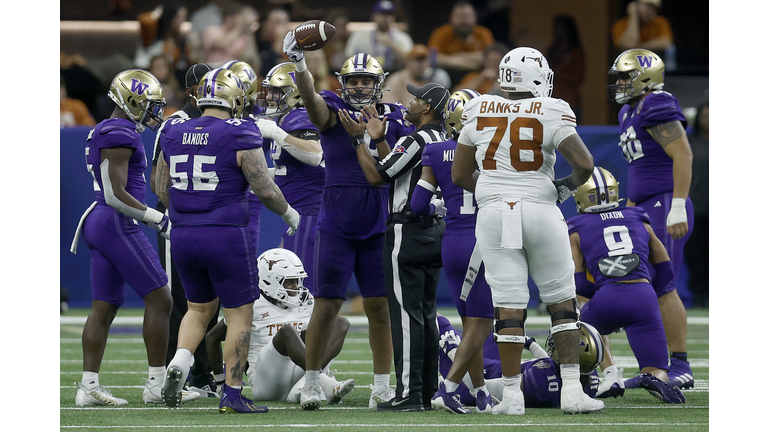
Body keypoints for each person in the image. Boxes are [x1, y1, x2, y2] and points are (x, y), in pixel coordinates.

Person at [451, 47, 603, 415]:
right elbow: (584, 162)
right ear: (537, 78)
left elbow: (458, 175)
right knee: (562, 304)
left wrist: (494, 189)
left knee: (508, 307)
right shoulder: (551, 109)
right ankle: (571, 391)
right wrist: (564, 186)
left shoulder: (479, 107)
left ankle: (512, 396)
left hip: (494, 215)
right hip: (540, 208)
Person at [283, 32, 417, 410]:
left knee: (379, 308)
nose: (359, 86)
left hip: (378, 221)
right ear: (343, 84)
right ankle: (310, 381)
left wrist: (376, 135)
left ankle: (380, 387)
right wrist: (299, 64)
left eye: (366, 81)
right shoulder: (333, 108)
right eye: (354, 81)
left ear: (378, 84)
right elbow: (312, 104)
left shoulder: (394, 117)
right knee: (326, 305)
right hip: (337, 222)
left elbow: (392, 168)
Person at [155, 67, 301, 413]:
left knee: (197, 308)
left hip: (184, 234)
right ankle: (233, 394)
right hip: (225, 235)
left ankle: (179, 360)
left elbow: (161, 189)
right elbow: (264, 188)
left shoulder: (174, 128)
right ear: (235, 96)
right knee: (239, 314)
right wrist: (288, 214)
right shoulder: (240, 131)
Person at [70, 69, 199, 407]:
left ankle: (88, 386)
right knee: (162, 299)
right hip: (115, 222)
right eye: (150, 105)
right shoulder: (119, 131)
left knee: (104, 307)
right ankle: (156, 384)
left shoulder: (107, 127)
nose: (156, 112)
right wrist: (157, 218)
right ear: (131, 101)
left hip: (101, 222)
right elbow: (115, 194)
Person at [339, 82, 449, 411]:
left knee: (405, 315)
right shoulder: (440, 139)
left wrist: (358, 140)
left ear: (427, 107)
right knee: (426, 314)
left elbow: (377, 177)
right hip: (436, 230)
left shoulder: (416, 139)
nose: (409, 103)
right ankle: (427, 390)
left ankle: (409, 394)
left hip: (408, 231)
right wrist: (379, 139)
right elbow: (397, 173)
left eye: (415, 99)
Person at [607, 48, 695, 390]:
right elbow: (639, 169)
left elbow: (683, 154)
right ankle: (653, 368)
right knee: (641, 287)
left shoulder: (657, 103)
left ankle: (681, 365)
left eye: (625, 76)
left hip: (664, 203)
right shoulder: (631, 109)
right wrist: (630, 212)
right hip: (644, 206)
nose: (619, 83)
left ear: (644, 76)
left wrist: (677, 203)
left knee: (661, 285)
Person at [409, 89, 495, 415]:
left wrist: (443, 205)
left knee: (469, 319)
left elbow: (418, 205)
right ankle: (449, 388)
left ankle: (481, 391)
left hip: (452, 242)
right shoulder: (494, 151)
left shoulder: (435, 150)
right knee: (482, 322)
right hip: (483, 241)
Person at [568, 167, 686, 404]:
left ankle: (610, 373)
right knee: (657, 367)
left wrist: (606, 295)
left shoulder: (576, 227)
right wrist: (642, 291)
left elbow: (579, 283)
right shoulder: (637, 217)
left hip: (608, 297)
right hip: (643, 296)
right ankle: (654, 378)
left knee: (581, 317)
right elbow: (665, 268)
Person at [148, 62, 221, 399]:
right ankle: (175, 373)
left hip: (209, 222)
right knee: (181, 300)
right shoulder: (175, 123)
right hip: (181, 221)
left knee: (210, 301)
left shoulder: (222, 121)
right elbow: (158, 183)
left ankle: (203, 374)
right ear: (195, 90)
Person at [204, 248, 355, 404]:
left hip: (298, 372)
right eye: (289, 281)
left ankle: (303, 387)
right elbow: (212, 338)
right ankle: (322, 381)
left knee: (340, 323)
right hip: (266, 383)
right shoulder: (250, 304)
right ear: (268, 281)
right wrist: (221, 382)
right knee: (287, 332)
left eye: (297, 280)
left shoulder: (305, 301)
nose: (296, 287)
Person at [254, 62, 324, 295]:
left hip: (310, 214)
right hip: (298, 215)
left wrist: (276, 133)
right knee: (288, 288)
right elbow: (288, 169)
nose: (270, 97)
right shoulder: (285, 119)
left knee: (303, 292)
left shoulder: (299, 116)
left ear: (294, 93)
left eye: (276, 91)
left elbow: (314, 154)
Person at [434, 314, 603, 410]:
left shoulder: (540, 381)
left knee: (441, 322)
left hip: (480, 375)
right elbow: (547, 362)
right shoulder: (590, 381)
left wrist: (453, 350)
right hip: (497, 363)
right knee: (488, 329)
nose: (559, 344)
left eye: (567, 344)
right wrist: (530, 343)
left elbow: (482, 388)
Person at [428, 1, 494, 86]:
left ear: (475, 18)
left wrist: (452, 58)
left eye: (467, 16)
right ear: (451, 18)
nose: (463, 21)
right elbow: (433, 58)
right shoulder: (440, 33)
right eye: (459, 16)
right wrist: (466, 61)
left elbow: (486, 57)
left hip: (477, 74)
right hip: (449, 75)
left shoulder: (483, 33)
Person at [344, 1, 413, 73]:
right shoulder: (360, 35)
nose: (385, 18)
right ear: (373, 16)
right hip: (366, 74)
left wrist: (391, 44)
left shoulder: (402, 37)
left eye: (389, 15)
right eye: (382, 14)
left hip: (393, 75)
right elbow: (348, 57)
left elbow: (410, 61)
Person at [684, 102, 708, 308]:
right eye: (705, 117)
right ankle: (700, 296)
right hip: (697, 208)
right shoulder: (688, 142)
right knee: (697, 255)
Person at [381, 44, 451, 106]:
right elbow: (388, 105)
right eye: (417, 60)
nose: (421, 65)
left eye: (424, 60)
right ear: (407, 61)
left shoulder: (435, 79)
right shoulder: (396, 80)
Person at [546, 15, 585, 120]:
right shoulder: (551, 50)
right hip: (551, 101)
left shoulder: (576, 52)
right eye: (555, 27)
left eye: (560, 27)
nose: (557, 30)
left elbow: (578, 77)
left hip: (569, 102)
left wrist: (554, 72)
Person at [201, 3, 260, 70]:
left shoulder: (241, 37)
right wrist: (239, 28)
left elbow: (252, 60)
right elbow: (221, 44)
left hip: (232, 74)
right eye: (240, 16)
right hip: (213, 72)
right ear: (230, 17)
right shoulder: (212, 30)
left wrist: (249, 32)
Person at [257, 8, 291, 77]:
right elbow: (265, 70)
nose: (279, 27)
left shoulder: (293, 47)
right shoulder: (258, 44)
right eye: (276, 22)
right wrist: (278, 41)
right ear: (265, 24)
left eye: (283, 23)